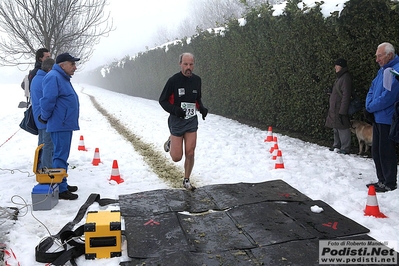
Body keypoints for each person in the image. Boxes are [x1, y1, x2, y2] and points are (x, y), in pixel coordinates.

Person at [159, 53, 208, 190]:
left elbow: (197, 99)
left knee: (190, 152)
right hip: (176, 121)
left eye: (191, 64)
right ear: (180, 64)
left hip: (191, 121)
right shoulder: (173, 81)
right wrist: (175, 110)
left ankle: (186, 180)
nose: (188, 67)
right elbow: (162, 101)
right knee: (176, 157)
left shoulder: (197, 80)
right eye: (185, 64)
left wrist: (202, 108)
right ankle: (171, 140)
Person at [39, 53, 80, 200]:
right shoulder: (54, 77)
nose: (75, 67)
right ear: (62, 65)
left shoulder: (61, 77)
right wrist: (44, 117)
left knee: (63, 155)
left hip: (64, 123)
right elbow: (47, 101)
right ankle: (60, 188)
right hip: (60, 123)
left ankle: (62, 181)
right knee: (59, 156)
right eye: (72, 64)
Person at [365, 42, 399, 192]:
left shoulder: (395, 71)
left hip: (387, 118)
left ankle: (390, 182)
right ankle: (381, 179)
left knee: (386, 151)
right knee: (377, 151)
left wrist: (371, 107)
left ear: (389, 55)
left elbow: (389, 97)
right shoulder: (382, 71)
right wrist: (368, 104)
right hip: (377, 117)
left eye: (379, 56)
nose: (377, 59)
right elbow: (372, 88)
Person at [30, 58, 55, 169]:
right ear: (50, 69)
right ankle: (46, 169)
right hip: (44, 117)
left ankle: (41, 166)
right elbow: (48, 99)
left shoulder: (36, 78)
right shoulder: (45, 80)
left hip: (38, 116)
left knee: (42, 144)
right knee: (48, 145)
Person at [325, 58, 353, 154]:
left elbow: (346, 95)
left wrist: (343, 110)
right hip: (335, 107)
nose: (335, 67)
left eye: (337, 65)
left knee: (343, 128)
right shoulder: (340, 77)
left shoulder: (345, 78)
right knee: (335, 127)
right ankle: (336, 145)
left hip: (340, 107)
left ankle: (345, 147)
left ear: (341, 66)